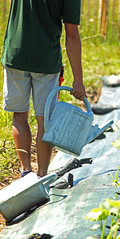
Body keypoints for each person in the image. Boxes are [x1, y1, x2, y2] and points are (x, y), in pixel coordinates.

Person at [1, 0, 86, 178]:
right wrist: (78, 80)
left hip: (15, 56)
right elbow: (72, 35)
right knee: (45, 121)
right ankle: (41, 176)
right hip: (45, 62)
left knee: (19, 114)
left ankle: (26, 173)